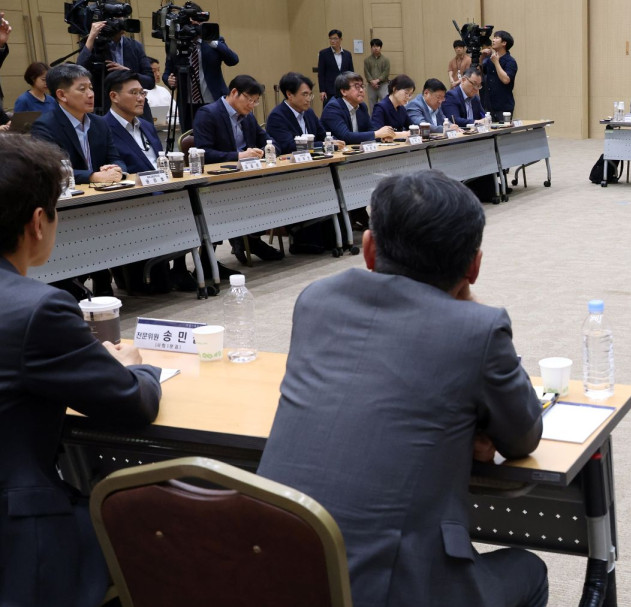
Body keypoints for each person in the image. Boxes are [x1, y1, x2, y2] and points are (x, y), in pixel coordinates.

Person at [257, 170, 547, 607]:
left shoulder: (316, 299)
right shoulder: (477, 329)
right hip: (393, 588)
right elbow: (523, 437)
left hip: (272, 571)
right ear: (474, 266)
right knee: (530, 570)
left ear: (368, 249)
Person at [0, 134, 161, 607]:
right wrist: (136, 366)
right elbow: (131, 404)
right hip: (19, 531)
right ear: (37, 222)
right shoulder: (40, 310)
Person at [30, 63, 126, 297]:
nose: (91, 94)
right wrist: (94, 176)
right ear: (61, 95)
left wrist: (116, 170)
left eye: (91, 88)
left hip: (102, 202)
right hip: (66, 206)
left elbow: (117, 159)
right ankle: (76, 282)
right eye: (82, 89)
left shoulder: (100, 123)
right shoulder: (45, 126)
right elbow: (53, 169)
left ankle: (104, 275)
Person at [101, 69, 194, 293]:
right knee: (155, 288)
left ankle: (183, 267)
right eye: (134, 93)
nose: (141, 98)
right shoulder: (102, 127)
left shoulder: (147, 126)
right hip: (134, 198)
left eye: (142, 92)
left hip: (162, 190)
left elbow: (158, 162)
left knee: (196, 194)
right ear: (114, 96)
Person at [193, 75, 282, 265]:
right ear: (234, 92)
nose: (252, 105)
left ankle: (252, 239)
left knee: (275, 189)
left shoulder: (247, 117)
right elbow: (204, 153)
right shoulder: (208, 113)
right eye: (249, 99)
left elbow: (266, 139)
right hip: (219, 180)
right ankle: (220, 253)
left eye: (256, 101)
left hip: (248, 175)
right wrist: (238, 156)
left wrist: (270, 149)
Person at [162, 28, 239, 132]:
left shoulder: (215, 41)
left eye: (197, 24)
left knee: (219, 135)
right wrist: (168, 80)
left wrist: (212, 41)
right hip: (188, 104)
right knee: (189, 139)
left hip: (213, 101)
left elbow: (233, 60)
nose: (193, 28)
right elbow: (166, 73)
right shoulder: (176, 44)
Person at [76, 19, 154, 112]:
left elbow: (150, 82)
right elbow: (79, 70)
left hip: (135, 105)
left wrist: (128, 73)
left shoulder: (135, 46)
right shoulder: (95, 45)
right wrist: (92, 36)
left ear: (122, 31)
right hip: (105, 107)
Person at [324, 71, 398, 144]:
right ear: (343, 91)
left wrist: (382, 137)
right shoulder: (333, 108)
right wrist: (377, 134)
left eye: (362, 86)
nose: (362, 90)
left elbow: (370, 129)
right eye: (357, 87)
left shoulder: (362, 106)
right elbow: (345, 136)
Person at [267, 72, 331, 155]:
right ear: (289, 94)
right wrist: (323, 145)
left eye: (310, 94)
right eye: (305, 94)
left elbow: (323, 135)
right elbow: (289, 146)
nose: (309, 99)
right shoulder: (277, 117)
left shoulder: (309, 112)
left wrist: (333, 141)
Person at [480, 30, 517, 115]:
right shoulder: (490, 59)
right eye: (493, 37)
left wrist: (496, 62)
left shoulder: (510, 61)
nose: (493, 40)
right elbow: (480, 74)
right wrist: (481, 58)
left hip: (503, 107)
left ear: (504, 43)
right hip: (487, 106)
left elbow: (506, 80)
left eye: (496, 38)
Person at [317, 29, 354, 103]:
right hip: (329, 90)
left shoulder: (347, 54)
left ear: (340, 39)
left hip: (345, 89)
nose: (332, 41)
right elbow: (321, 74)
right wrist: (322, 90)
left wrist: (352, 87)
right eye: (330, 39)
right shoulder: (323, 54)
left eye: (335, 38)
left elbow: (351, 72)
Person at [144, 57, 177, 130]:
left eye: (158, 70)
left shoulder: (163, 90)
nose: (158, 74)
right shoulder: (142, 93)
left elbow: (176, 112)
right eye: (154, 71)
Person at [363, 38, 390, 111]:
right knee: (372, 105)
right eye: (374, 46)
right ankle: (373, 121)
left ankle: (385, 120)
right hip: (371, 86)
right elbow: (366, 72)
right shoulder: (367, 60)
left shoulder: (386, 60)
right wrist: (372, 81)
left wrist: (378, 80)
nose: (376, 48)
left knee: (385, 103)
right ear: (371, 47)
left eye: (377, 46)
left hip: (383, 85)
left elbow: (386, 72)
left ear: (380, 47)